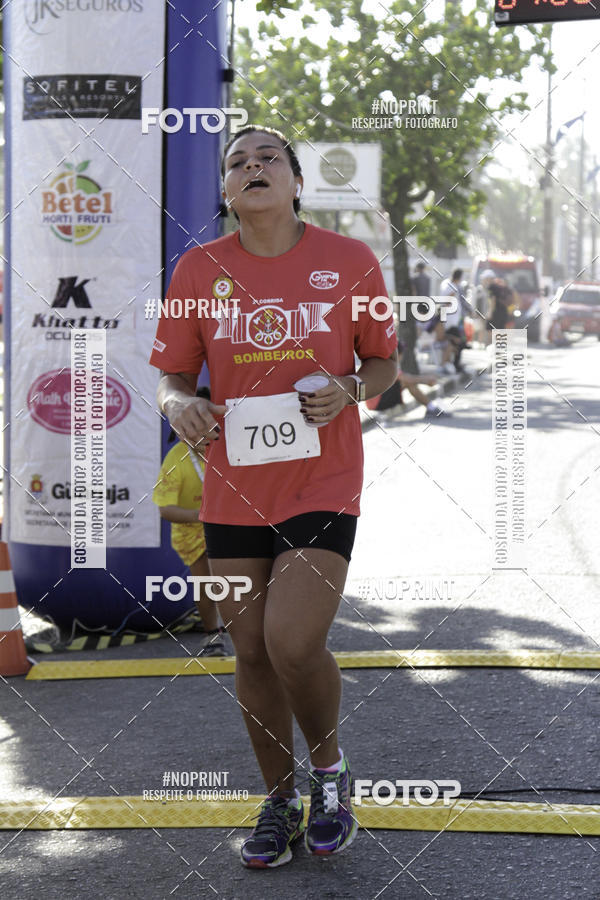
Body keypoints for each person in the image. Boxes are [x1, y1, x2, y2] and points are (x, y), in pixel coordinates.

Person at [149, 125, 397, 868]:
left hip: (322, 480)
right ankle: (278, 798)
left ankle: (330, 777)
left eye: (268, 159)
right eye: (236, 162)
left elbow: (384, 362)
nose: (252, 167)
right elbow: (170, 376)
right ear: (226, 192)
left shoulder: (349, 262)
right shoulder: (197, 269)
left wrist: (352, 389)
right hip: (231, 489)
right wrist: (177, 407)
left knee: (292, 641)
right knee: (250, 650)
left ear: (295, 182)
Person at [152, 388, 226, 656]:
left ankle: (240, 627)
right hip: (193, 533)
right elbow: (165, 510)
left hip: (229, 525)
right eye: (194, 428)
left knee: (236, 578)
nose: (203, 435)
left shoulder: (229, 449)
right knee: (206, 581)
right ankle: (212, 636)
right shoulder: (176, 459)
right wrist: (202, 516)